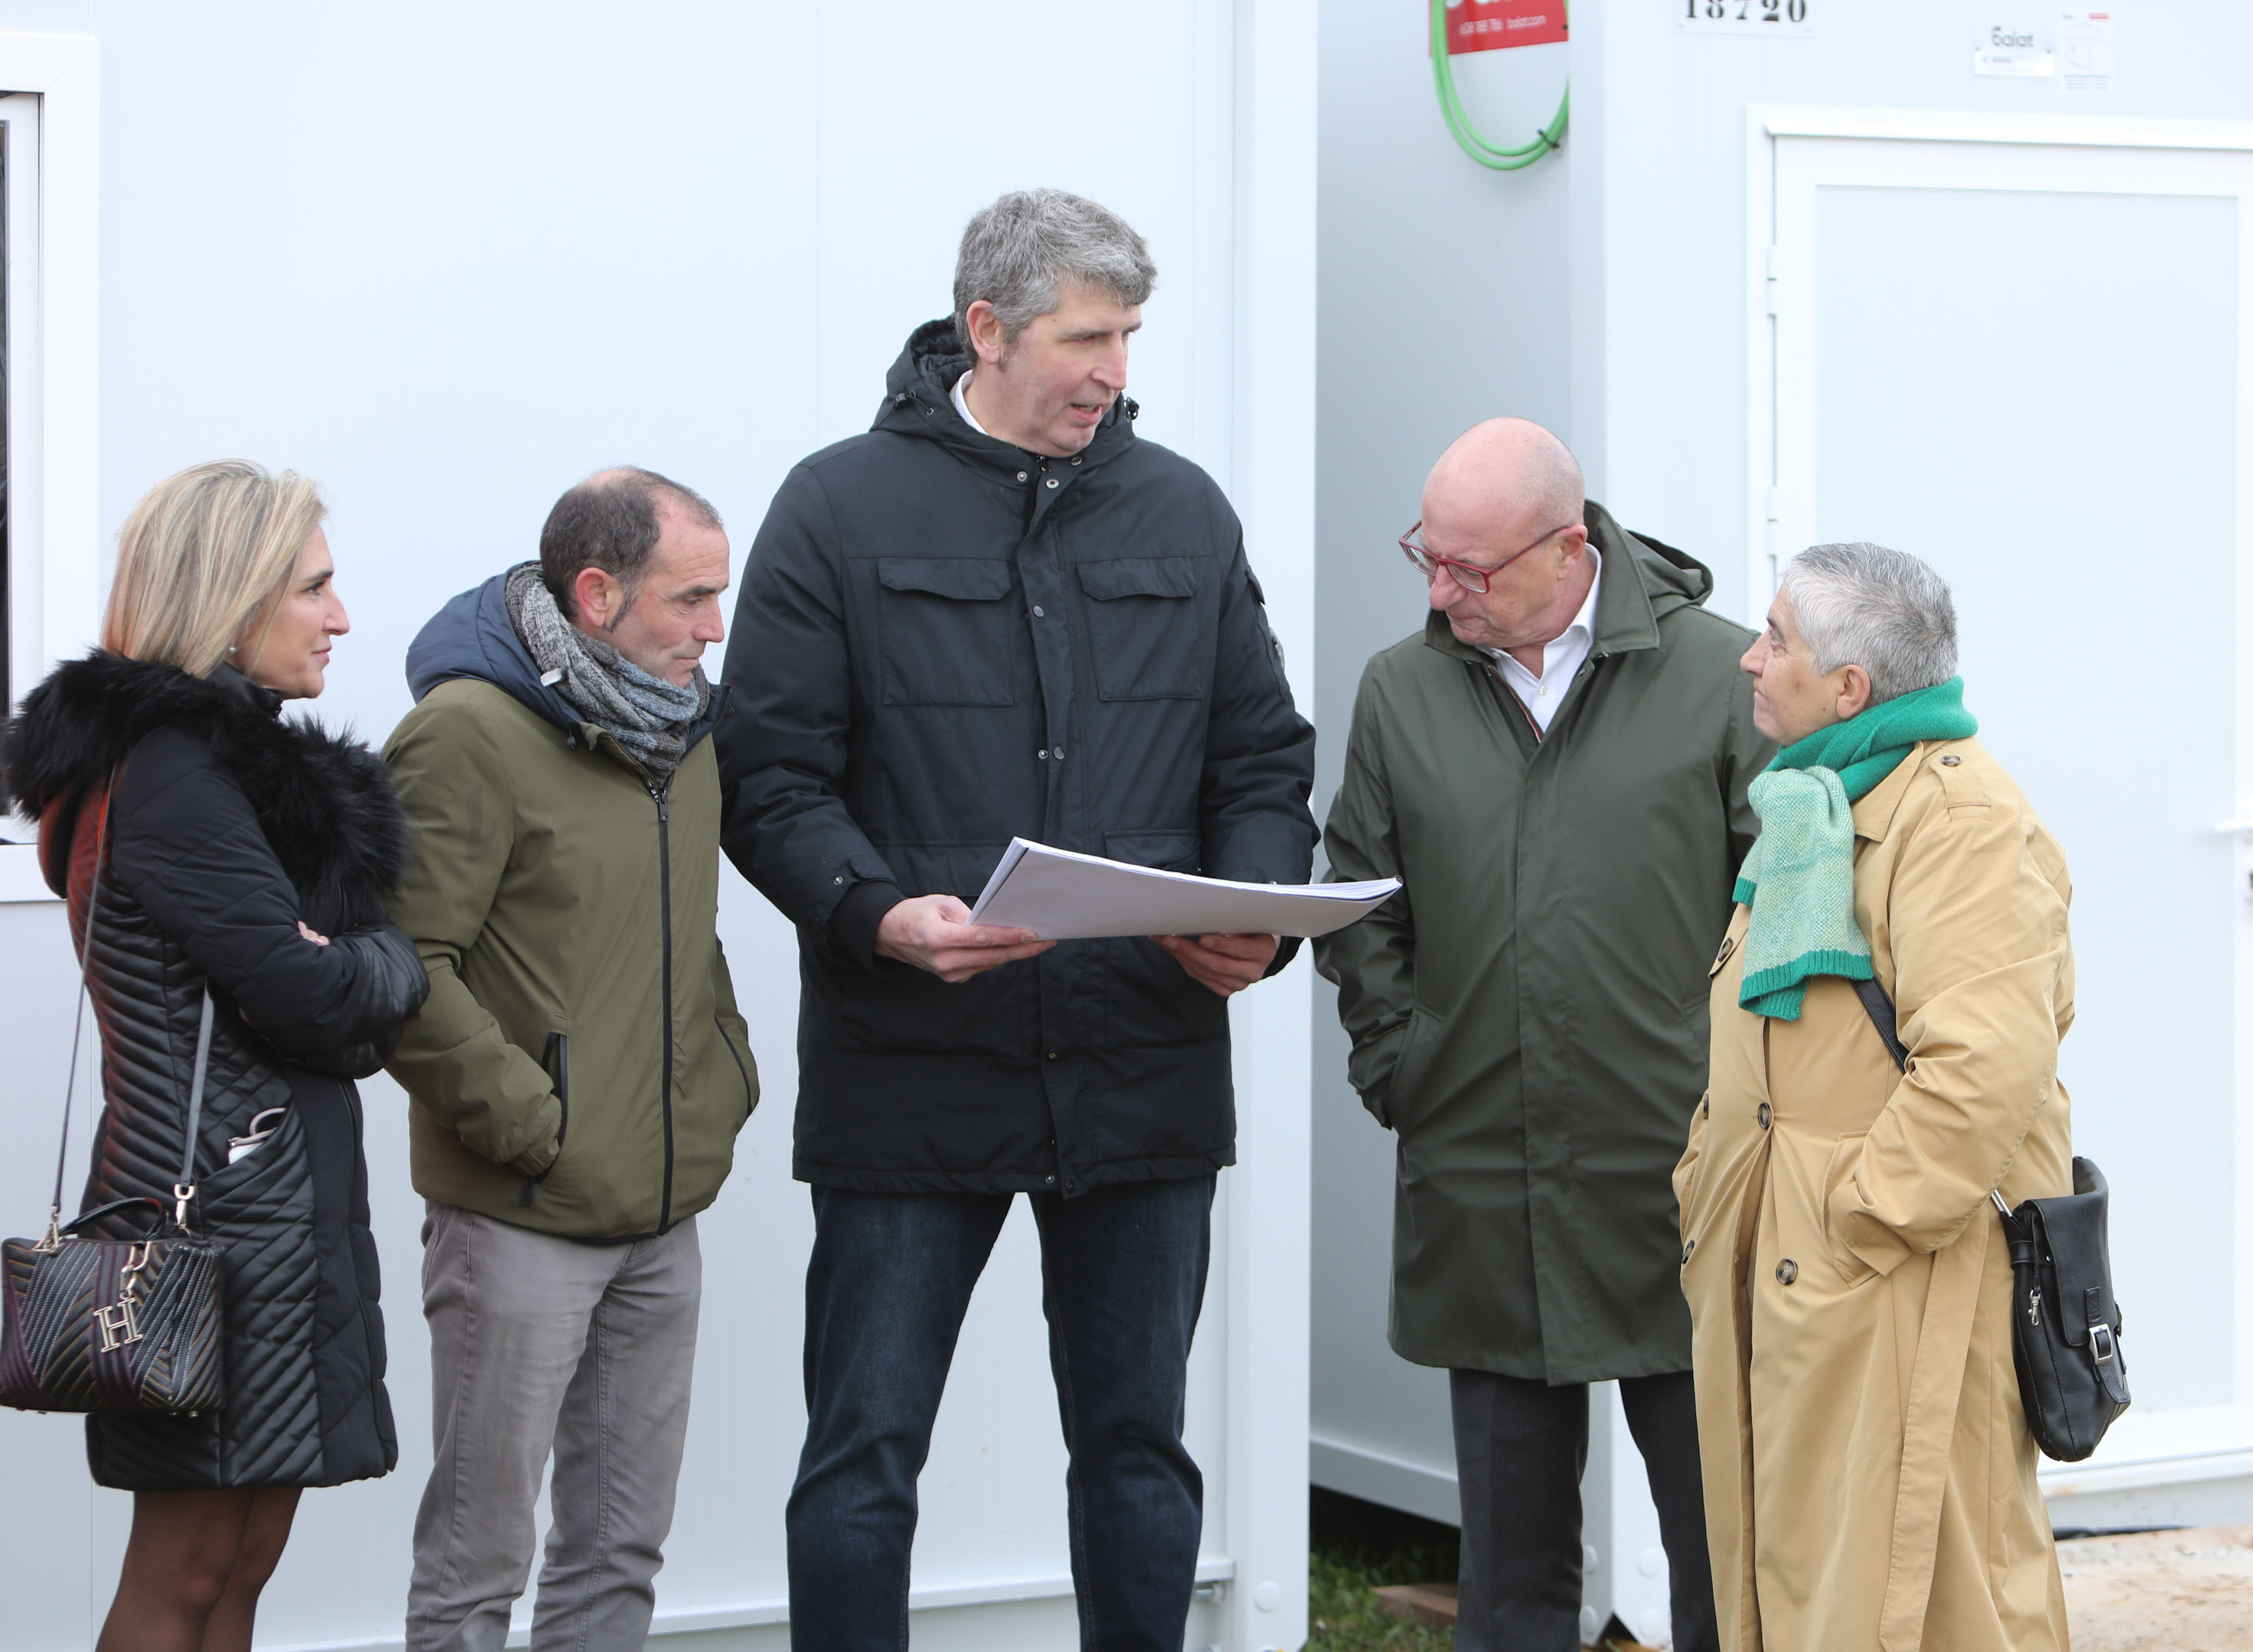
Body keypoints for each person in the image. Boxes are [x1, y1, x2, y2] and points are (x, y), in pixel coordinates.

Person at [717, 187, 1317, 1651]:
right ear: (986, 330)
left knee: (1139, 1449)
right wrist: (876, 915)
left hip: (1141, 1062)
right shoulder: (837, 508)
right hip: (912, 1064)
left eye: (1128, 336)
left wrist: (1260, 918)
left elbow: (1260, 758)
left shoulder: (1183, 509)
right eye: (1085, 337)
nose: (1114, 370)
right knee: (864, 1452)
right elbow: (770, 778)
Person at [1316, 418, 1770, 1652]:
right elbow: (1360, 902)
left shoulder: (1719, 679)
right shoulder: (1401, 690)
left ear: (1571, 549)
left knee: (1726, 1553)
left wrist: (1737, 1102)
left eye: (1468, 568)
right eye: (1426, 557)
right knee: (1509, 1576)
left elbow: (1784, 916)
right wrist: (1402, 1066)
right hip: (1482, 1168)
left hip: (1679, 1177)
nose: (1438, 592)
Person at [3, 460, 428, 1652]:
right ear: (231, 599)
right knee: (186, 1573)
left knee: (238, 1565)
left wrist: (352, 965)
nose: (341, 617)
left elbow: (317, 985)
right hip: (215, 1223)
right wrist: (391, 963)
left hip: (258, 1214)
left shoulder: (209, 769)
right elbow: (310, 993)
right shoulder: (172, 774)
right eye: (314, 587)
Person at [384, 468, 760, 1652]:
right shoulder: (467, 732)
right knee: (477, 1567)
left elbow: (681, 938)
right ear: (597, 595)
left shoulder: (683, 732)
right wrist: (535, 1127)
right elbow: (402, 965)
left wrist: (721, 1083)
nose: (714, 629)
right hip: (519, 1217)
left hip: (662, 1214)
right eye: (691, 599)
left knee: (619, 1556)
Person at [1675, 542, 2073, 1652]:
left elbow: (1984, 1072)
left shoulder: (1959, 822)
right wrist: (1714, 1180)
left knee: (1925, 1597)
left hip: (1898, 1277)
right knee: (1806, 1581)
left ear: (1849, 688)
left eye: (1777, 641)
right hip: (1809, 1274)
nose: (1750, 659)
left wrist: (1857, 1219)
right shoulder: (1821, 800)